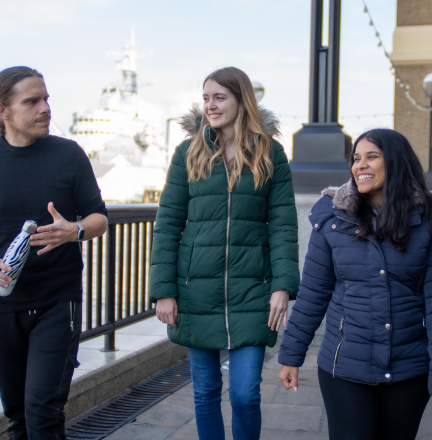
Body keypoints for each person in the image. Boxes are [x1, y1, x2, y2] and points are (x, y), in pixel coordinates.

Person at [0, 66, 108, 440]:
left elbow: (100, 218)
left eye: (46, 98)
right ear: (3, 111)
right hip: (1, 304)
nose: (45, 108)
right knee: (17, 416)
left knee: (43, 412)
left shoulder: (68, 154)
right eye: (32, 101)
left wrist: (75, 230)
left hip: (57, 299)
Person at [278, 128, 432, 440]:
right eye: (355, 159)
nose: (360, 165)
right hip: (344, 367)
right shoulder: (333, 219)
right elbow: (313, 294)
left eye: (371, 157)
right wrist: (290, 356)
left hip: (409, 370)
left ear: (396, 162)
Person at [150, 66, 299, 440]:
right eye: (205, 98)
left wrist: (283, 285)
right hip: (196, 292)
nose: (210, 106)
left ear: (241, 99)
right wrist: (164, 291)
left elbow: (282, 225)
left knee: (245, 393)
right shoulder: (189, 153)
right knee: (205, 393)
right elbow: (168, 224)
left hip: (252, 292)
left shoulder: (271, 154)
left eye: (219, 97)